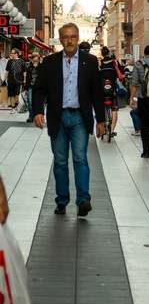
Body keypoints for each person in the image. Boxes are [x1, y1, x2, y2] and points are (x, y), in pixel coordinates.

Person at [33, 22, 105, 217]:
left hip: (80, 116)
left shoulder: (89, 61)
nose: (70, 40)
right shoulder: (50, 62)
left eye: (73, 37)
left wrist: (100, 119)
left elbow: (96, 92)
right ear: (61, 39)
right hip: (58, 116)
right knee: (60, 161)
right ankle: (62, 200)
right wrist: (37, 111)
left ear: (78, 38)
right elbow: (39, 89)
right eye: (66, 37)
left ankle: (83, 199)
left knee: (80, 158)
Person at [99, 46, 120, 137]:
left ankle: (103, 129)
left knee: (100, 108)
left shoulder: (99, 63)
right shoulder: (115, 62)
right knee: (114, 109)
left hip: (101, 91)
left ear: (102, 54)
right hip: (112, 90)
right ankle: (111, 131)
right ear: (109, 53)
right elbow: (121, 75)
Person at [2, 48, 26, 113]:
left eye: (12, 53)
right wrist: (4, 79)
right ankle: (13, 108)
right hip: (10, 80)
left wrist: (25, 79)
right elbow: (7, 71)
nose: (11, 54)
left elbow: (24, 72)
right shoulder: (9, 62)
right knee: (11, 94)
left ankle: (17, 105)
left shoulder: (22, 62)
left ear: (16, 54)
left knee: (17, 94)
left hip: (19, 80)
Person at [24, 53, 41, 123]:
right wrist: (26, 88)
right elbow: (27, 78)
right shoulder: (30, 67)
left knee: (39, 103)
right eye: (33, 61)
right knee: (30, 102)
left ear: (39, 60)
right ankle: (31, 116)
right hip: (31, 86)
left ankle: (38, 116)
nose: (35, 62)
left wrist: (37, 67)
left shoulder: (42, 67)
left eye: (36, 61)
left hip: (39, 87)